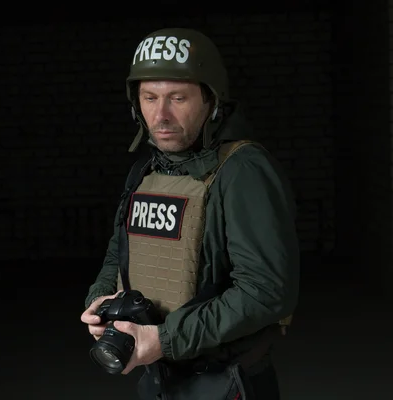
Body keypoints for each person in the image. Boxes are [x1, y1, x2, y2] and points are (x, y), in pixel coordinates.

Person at [80, 27, 300, 400]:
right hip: (159, 377)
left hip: (227, 382)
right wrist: (100, 299)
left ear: (210, 101)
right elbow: (120, 253)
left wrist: (164, 339)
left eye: (177, 98)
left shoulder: (243, 171)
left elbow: (265, 291)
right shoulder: (146, 171)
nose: (161, 115)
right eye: (149, 98)